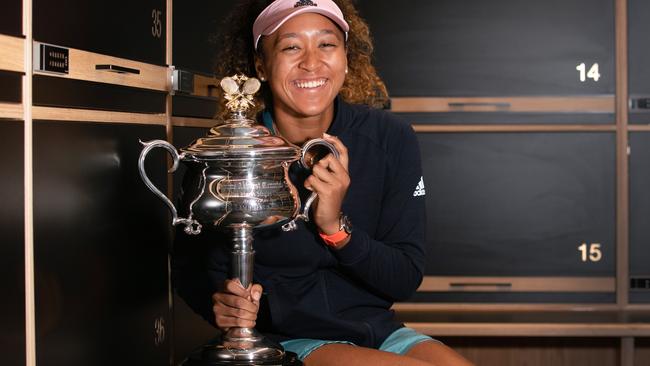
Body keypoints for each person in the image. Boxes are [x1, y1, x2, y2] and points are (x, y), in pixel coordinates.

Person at [172, 0, 474, 365]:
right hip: (287, 340)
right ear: (261, 66)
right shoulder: (231, 150)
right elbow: (190, 268)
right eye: (291, 46)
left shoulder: (391, 138)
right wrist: (220, 305)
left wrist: (335, 228)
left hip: (379, 331)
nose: (311, 62)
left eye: (326, 44)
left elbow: (403, 278)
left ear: (346, 58)